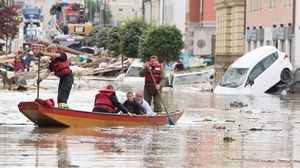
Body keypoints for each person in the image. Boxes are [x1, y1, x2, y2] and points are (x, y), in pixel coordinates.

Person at [39, 44, 74, 109]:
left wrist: (43, 54)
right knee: (60, 96)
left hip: (68, 77)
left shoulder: (62, 55)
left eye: (50, 51)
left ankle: (64, 109)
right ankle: (62, 108)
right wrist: (40, 79)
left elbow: (55, 55)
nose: (49, 54)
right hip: (63, 78)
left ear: (54, 50)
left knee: (63, 96)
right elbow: (47, 73)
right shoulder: (52, 62)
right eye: (48, 52)